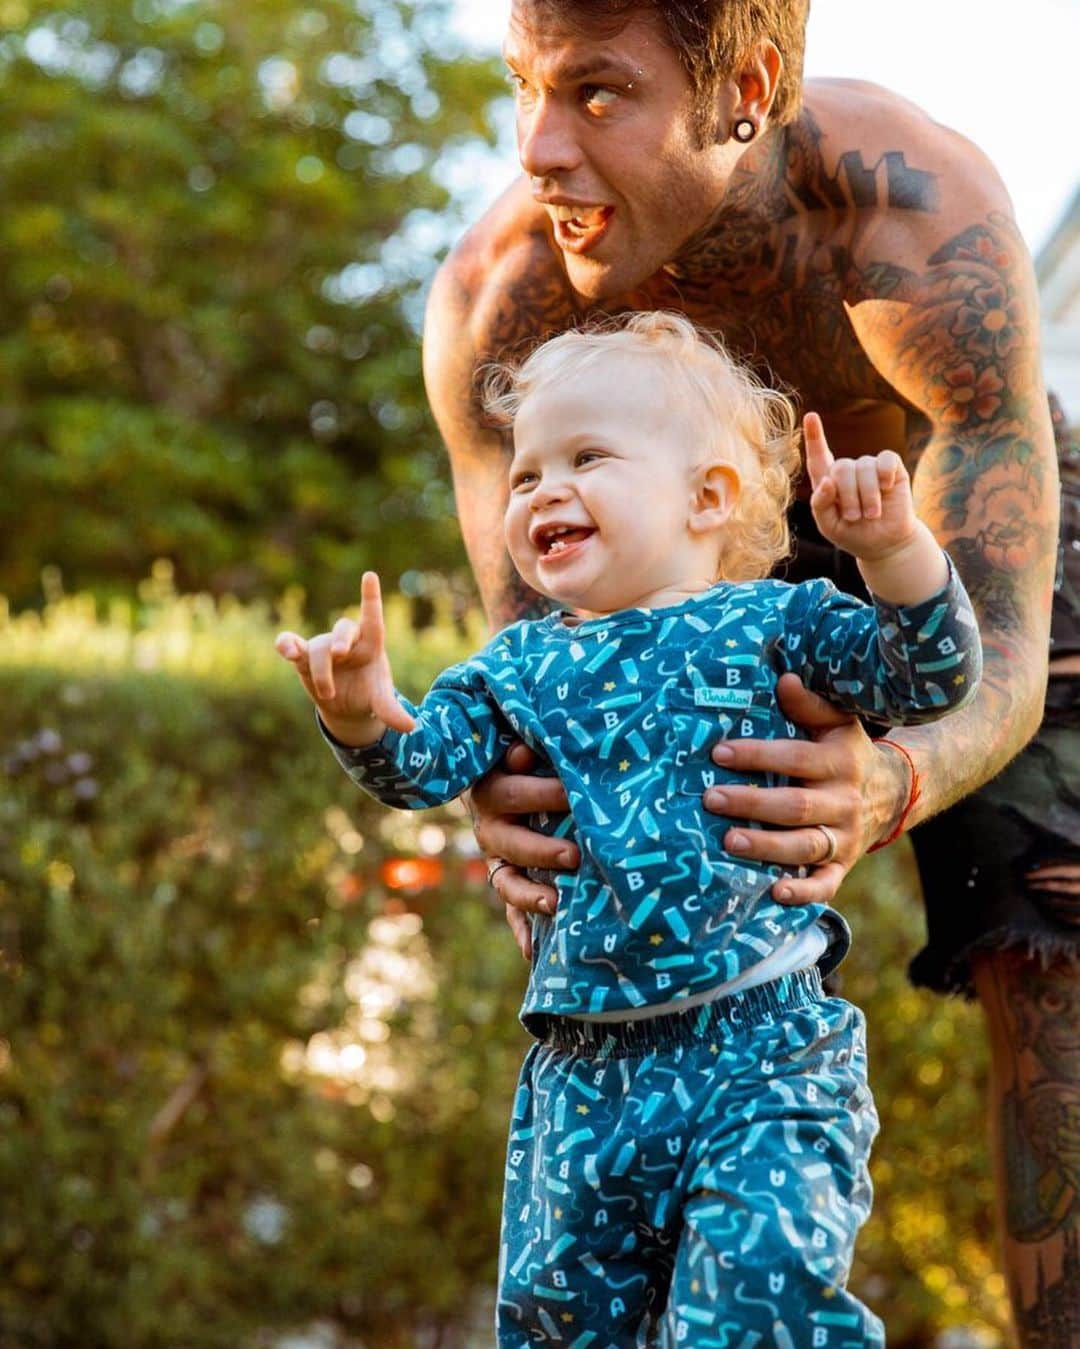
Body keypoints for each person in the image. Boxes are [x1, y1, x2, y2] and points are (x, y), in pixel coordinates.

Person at [420, 0, 1071, 1335]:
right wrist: (507, 795)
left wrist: (893, 778)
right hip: (670, 569)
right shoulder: (503, 305)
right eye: (523, 87)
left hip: (922, 535)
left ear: (747, 88)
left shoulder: (907, 217)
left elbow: (993, 647)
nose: (538, 146)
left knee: (1058, 938)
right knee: (605, 940)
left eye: (597, 94)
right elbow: (533, 672)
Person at [277, 312, 982, 1343]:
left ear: (707, 496)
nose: (541, 489)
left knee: (755, 1301)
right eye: (525, 474)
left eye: (587, 457)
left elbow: (928, 673)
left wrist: (893, 548)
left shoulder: (776, 620)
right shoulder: (515, 664)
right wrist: (356, 712)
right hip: (585, 1072)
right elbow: (422, 768)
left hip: (760, 1046)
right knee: (563, 1321)